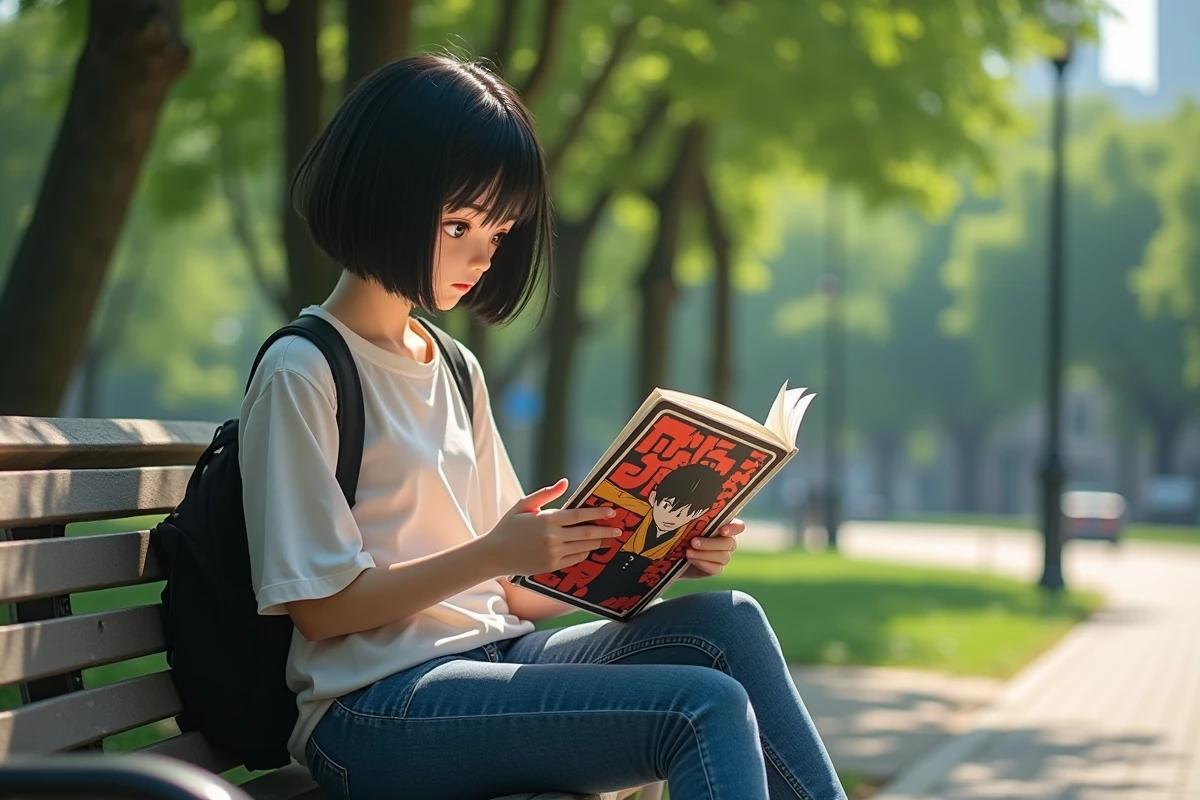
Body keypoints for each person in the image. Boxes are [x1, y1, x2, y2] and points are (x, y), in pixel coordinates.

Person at [238, 53, 845, 800]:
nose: (480, 257)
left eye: (497, 232)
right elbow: (321, 608)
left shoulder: (454, 367)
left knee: (729, 625)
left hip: (496, 662)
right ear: (383, 195)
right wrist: (493, 551)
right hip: (373, 711)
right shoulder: (305, 368)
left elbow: (514, 594)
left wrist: (661, 550)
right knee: (701, 707)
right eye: (458, 223)